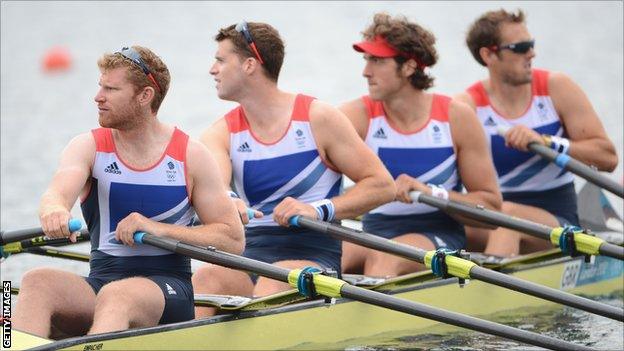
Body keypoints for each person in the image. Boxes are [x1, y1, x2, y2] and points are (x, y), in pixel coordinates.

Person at [13, 46, 245, 338]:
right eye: (100, 86)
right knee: (35, 281)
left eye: (111, 89)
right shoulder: (88, 146)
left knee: (118, 296)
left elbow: (233, 239)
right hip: (101, 283)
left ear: (144, 96)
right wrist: (54, 211)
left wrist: (157, 229)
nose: (97, 97)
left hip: (168, 291)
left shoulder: (191, 156)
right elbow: (56, 193)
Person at [192, 21, 396, 317]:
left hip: (313, 252)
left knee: (272, 284)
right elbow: (216, 187)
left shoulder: (318, 118)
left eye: (221, 60)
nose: (213, 69)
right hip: (250, 253)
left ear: (250, 65)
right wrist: (227, 200)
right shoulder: (220, 133)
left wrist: (318, 209)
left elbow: (382, 185)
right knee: (204, 280)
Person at [339, 13, 502, 277]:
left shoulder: (456, 117)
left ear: (409, 67)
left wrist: (432, 192)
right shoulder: (356, 115)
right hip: (375, 230)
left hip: (437, 232)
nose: (365, 71)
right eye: (366, 60)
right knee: (326, 257)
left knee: (384, 261)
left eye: (377, 60)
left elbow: (491, 208)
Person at [455, 9, 618, 257]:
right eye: (520, 47)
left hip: (558, 220)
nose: (532, 53)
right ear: (488, 54)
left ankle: (492, 288)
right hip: (496, 216)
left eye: (531, 44)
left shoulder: (556, 88)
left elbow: (607, 158)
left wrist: (547, 142)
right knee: (437, 222)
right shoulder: (467, 106)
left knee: (507, 217)